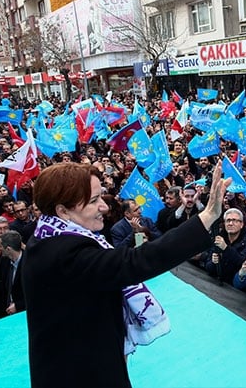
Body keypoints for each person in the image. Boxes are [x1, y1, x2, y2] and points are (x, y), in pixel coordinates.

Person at [22, 162, 229, 388]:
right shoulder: (63, 253)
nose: (104, 207)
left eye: (101, 197)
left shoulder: (47, 234)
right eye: (93, 201)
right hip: (79, 374)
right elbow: (135, 262)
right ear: (63, 211)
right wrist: (207, 216)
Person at [205, 208, 246, 284]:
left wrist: (226, 248)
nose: (230, 223)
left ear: (241, 224)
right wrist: (213, 262)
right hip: (214, 282)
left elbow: (242, 263)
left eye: (234, 220)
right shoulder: (219, 238)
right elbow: (208, 267)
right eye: (228, 220)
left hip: (234, 286)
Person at [0, 230, 25, 315]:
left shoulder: (29, 263)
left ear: (8, 249)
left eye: (0, 246)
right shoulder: (5, 261)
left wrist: (18, 306)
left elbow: (36, 293)